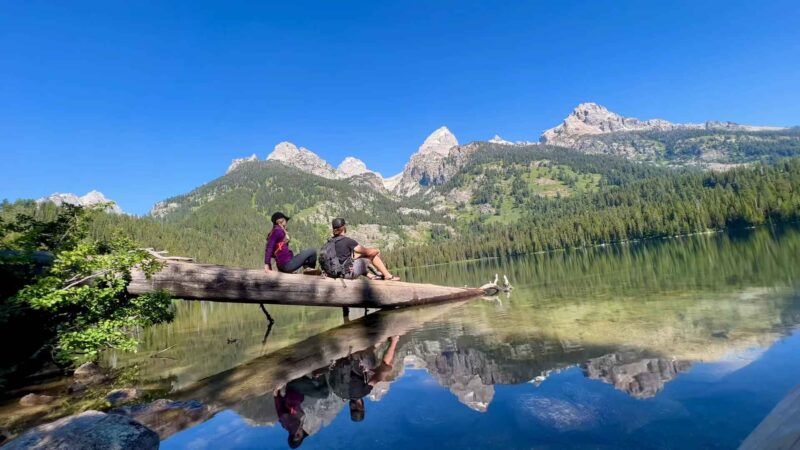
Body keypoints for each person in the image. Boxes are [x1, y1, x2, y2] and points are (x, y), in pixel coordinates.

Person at [328, 336, 400, 422]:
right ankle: (377, 344)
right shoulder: (339, 393)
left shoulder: (362, 393)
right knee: (371, 370)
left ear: (360, 407)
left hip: (354, 358)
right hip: (337, 360)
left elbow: (374, 380)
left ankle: (394, 340)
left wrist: (384, 371)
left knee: (384, 367)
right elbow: (331, 375)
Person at [329, 218, 400, 281]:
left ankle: (371, 276)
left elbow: (342, 259)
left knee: (358, 259)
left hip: (333, 273)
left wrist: (359, 256)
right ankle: (388, 276)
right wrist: (377, 251)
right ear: (344, 228)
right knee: (372, 255)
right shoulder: (347, 241)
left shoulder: (330, 241)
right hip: (346, 275)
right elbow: (368, 252)